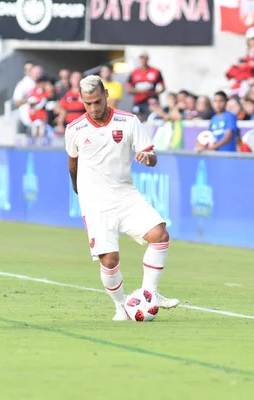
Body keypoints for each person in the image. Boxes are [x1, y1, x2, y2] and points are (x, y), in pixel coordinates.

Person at [64, 75, 179, 321]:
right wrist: (79, 191)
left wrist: (147, 159)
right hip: (95, 202)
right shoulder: (74, 129)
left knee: (159, 235)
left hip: (125, 194)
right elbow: (72, 165)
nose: (93, 108)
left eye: (96, 101)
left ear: (106, 94)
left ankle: (150, 293)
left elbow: (151, 156)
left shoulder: (128, 121)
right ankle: (120, 306)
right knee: (109, 259)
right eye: (87, 104)